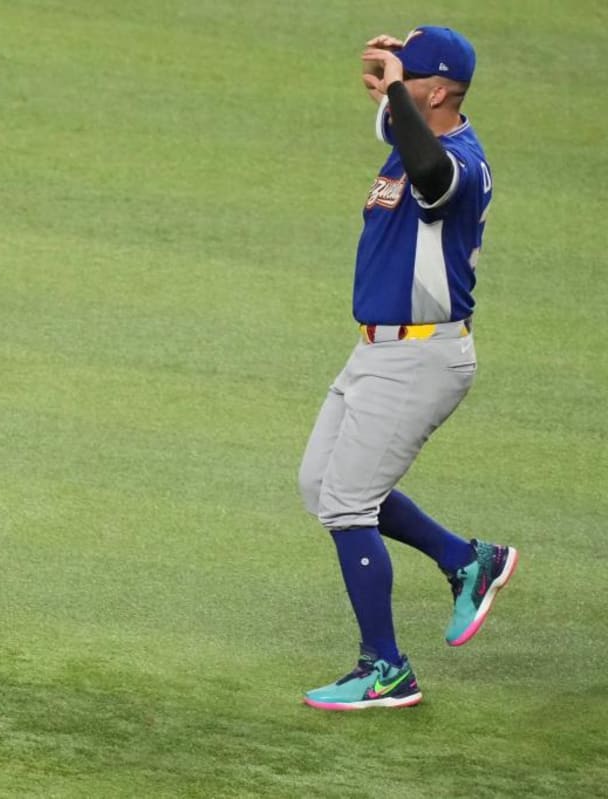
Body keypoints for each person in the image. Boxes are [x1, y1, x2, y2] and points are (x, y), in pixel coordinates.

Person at [297, 26, 518, 710]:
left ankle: (386, 668)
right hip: (378, 348)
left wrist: (399, 90)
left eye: (409, 74)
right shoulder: (410, 132)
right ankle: (465, 559)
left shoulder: (458, 162)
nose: (391, 81)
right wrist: (396, 85)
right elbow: (401, 134)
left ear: (441, 92)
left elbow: (430, 172)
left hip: (422, 354)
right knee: (321, 483)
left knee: (347, 501)